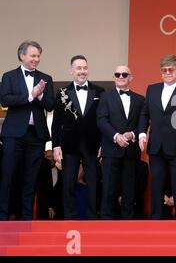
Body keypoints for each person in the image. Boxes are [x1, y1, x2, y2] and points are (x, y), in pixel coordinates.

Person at [139, 54, 176, 220]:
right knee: (157, 183)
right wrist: (142, 133)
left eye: (170, 69)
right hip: (156, 146)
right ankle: (156, 219)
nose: (167, 72)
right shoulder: (153, 89)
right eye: (164, 70)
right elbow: (145, 113)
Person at [0, 40, 55, 220]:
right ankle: (3, 216)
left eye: (38, 56)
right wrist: (30, 96)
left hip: (36, 136)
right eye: (33, 55)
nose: (36, 59)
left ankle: (26, 219)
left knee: (31, 178)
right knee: (8, 176)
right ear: (22, 55)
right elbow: (5, 100)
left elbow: (51, 104)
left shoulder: (46, 78)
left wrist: (39, 97)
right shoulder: (9, 76)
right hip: (13, 135)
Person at [52, 55, 104, 219]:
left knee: (93, 182)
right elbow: (56, 122)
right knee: (68, 182)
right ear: (71, 70)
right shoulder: (62, 92)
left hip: (93, 145)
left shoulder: (100, 91)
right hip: (69, 145)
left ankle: (91, 217)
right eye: (79, 68)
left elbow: (102, 120)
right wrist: (56, 145)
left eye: (85, 68)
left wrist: (103, 143)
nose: (82, 71)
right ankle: (70, 217)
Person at [97, 65, 145, 219]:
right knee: (108, 189)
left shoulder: (140, 99)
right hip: (111, 150)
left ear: (131, 77)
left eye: (125, 74)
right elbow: (101, 120)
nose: (121, 76)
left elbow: (144, 124)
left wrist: (132, 134)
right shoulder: (105, 97)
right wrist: (116, 136)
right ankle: (106, 222)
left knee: (129, 190)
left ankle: (127, 226)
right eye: (117, 74)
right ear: (114, 77)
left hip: (131, 152)